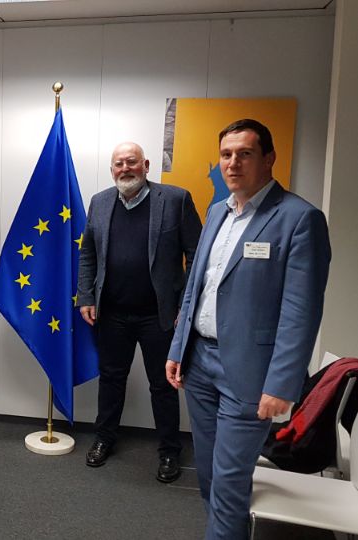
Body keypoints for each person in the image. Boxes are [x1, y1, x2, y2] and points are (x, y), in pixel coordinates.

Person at [166, 119, 331, 539]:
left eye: (245, 154)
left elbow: (301, 310)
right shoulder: (218, 211)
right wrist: (178, 346)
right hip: (200, 362)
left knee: (230, 477)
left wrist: (283, 383)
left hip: (251, 372)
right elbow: (196, 287)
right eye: (226, 155)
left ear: (269, 159)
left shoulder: (299, 218)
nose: (233, 163)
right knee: (206, 471)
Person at [76, 142, 201, 482]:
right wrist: (86, 295)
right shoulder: (100, 202)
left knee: (162, 385)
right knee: (112, 379)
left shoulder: (175, 200)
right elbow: (88, 254)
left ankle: (169, 451)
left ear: (146, 165)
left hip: (158, 315)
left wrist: (183, 307)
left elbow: (196, 254)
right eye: (118, 163)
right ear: (112, 169)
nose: (125, 168)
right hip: (112, 312)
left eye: (132, 162)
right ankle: (104, 438)